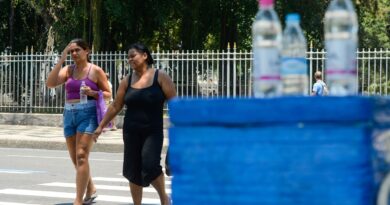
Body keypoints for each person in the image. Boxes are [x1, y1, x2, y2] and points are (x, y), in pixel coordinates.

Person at [93, 42, 176, 205]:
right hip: (131, 132)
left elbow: (175, 103)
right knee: (132, 170)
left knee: (150, 165)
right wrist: (100, 126)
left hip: (153, 132)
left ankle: (164, 199)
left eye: (133, 56)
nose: (130, 59)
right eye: (128, 57)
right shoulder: (127, 80)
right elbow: (116, 105)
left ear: (145, 56)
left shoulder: (160, 76)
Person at [46, 38, 111, 205]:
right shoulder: (68, 70)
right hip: (69, 114)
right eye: (71, 51)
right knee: (76, 158)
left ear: (87, 51)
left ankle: (78, 200)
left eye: (77, 50)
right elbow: (50, 83)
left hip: (88, 113)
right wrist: (61, 59)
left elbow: (108, 93)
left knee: (82, 155)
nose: (74, 53)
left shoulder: (95, 71)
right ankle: (90, 188)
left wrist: (93, 92)